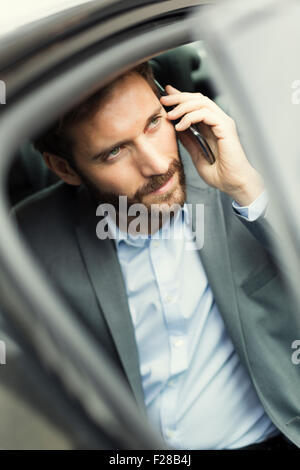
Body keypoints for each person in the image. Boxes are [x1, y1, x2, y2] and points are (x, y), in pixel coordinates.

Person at [12, 62, 300, 450]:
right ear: (65, 168)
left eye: (153, 123)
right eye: (115, 151)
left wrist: (247, 189)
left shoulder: (244, 164)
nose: (156, 164)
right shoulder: (30, 236)